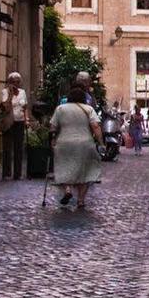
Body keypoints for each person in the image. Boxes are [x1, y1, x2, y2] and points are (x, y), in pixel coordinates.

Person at [50, 82, 102, 210]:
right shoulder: (88, 109)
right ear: (83, 98)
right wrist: (101, 142)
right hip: (85, 143)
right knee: (85, 171)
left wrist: (52, 140)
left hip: (64, 143)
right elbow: (95, 126)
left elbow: (53, 127)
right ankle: (80, 200)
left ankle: (68, 189)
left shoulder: (60, 109)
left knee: (65, 167)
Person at [0, 72, 28, 180]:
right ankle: (6, 173)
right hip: (8, 122)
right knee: (7, 148)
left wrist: (26, 119)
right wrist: (11, 94)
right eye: (13, 81)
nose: (16, 84)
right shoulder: (4, 92)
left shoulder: (23, 92)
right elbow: (4, 106)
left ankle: (18, 173)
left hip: (19, 122)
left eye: (18, 81)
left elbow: (25, 107)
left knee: (18, 148)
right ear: (9, 82)